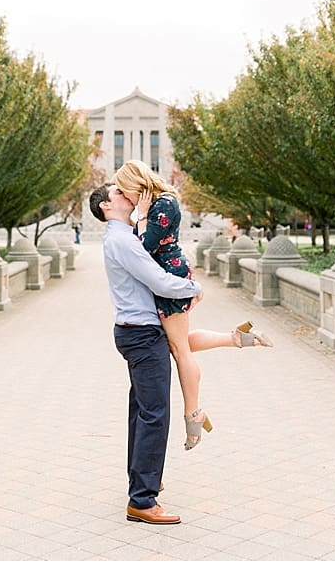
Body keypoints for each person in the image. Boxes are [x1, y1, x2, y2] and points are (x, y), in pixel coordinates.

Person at [114, 160, 273, 451]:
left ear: (136, 184)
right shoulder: (158, 206)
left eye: (125, 192)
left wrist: (142, 216)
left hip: (170, 282)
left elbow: (143, 250)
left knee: (178, 350)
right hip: (167, 280)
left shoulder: (163, 205)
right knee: (175, 343)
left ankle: (194, 413)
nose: (126, 199)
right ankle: (238, 338)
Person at [89, 182, 202, 525]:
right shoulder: (122, 239)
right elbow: (158, 280)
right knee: (155, 414)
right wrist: (194, 287)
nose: (126, 194)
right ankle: (142, 500)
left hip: (133, 332)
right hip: (142, 334)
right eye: (118, 193)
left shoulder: (122, 236)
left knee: (141, 412)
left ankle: (143, 481)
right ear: (107, 207)